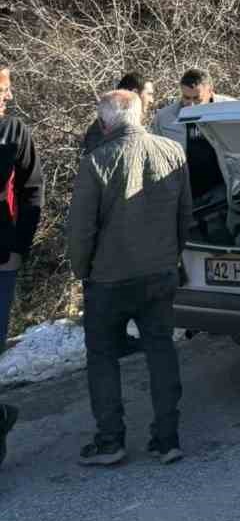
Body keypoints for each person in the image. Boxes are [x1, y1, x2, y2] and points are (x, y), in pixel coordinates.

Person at [66, 89, 192, 466]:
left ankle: (110, 440)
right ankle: (167, 438)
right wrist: (172, 255)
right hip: (159, 271)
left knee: (102, 355)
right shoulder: (174, 152)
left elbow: (81, 231)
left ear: (106, 122)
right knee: (161, 348)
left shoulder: (96, 161)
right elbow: (184, 215)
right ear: (140, 114)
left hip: (108, 278)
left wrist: (81, 270)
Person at [1, 61, 43, 469]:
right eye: (3, 88)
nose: (9, 95)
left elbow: (33, 192)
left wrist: (20, 247)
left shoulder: (16, 132)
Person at [81, 72, 156, 157]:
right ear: (135, 93)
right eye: (149, 94)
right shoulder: (105, 127)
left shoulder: (136, 124)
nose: (151, 100)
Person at [152, 68, 230, 149]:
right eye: (186, 98)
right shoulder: (163, 118)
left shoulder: (232, 110)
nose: (191, 105)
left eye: (197, 99)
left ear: (210, 91)